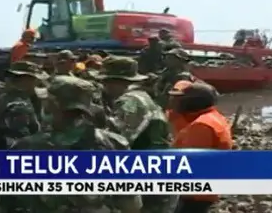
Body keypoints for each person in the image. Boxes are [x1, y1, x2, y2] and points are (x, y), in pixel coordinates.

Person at [7, 76, 142, 213]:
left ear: (53, 105)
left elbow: (5, 204)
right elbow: (131, 205)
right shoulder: (115, 144)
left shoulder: (26, 148)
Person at [97, 57, 174, 213]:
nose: (104, 87)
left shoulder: (131, 101)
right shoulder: (141, 97)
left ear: (116, 81)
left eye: (105, 82)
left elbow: (114, 141)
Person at [169, 80, 232, 213]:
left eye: (181, 99)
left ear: (193, 102)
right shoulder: (213, 117)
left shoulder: (201, 126)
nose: (177, 102)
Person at [0, 61, 47, 149]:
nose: (37, 82)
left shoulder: (5, 97)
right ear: (26, 80)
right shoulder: (18, 106)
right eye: (35, 79)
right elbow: (18, 143)